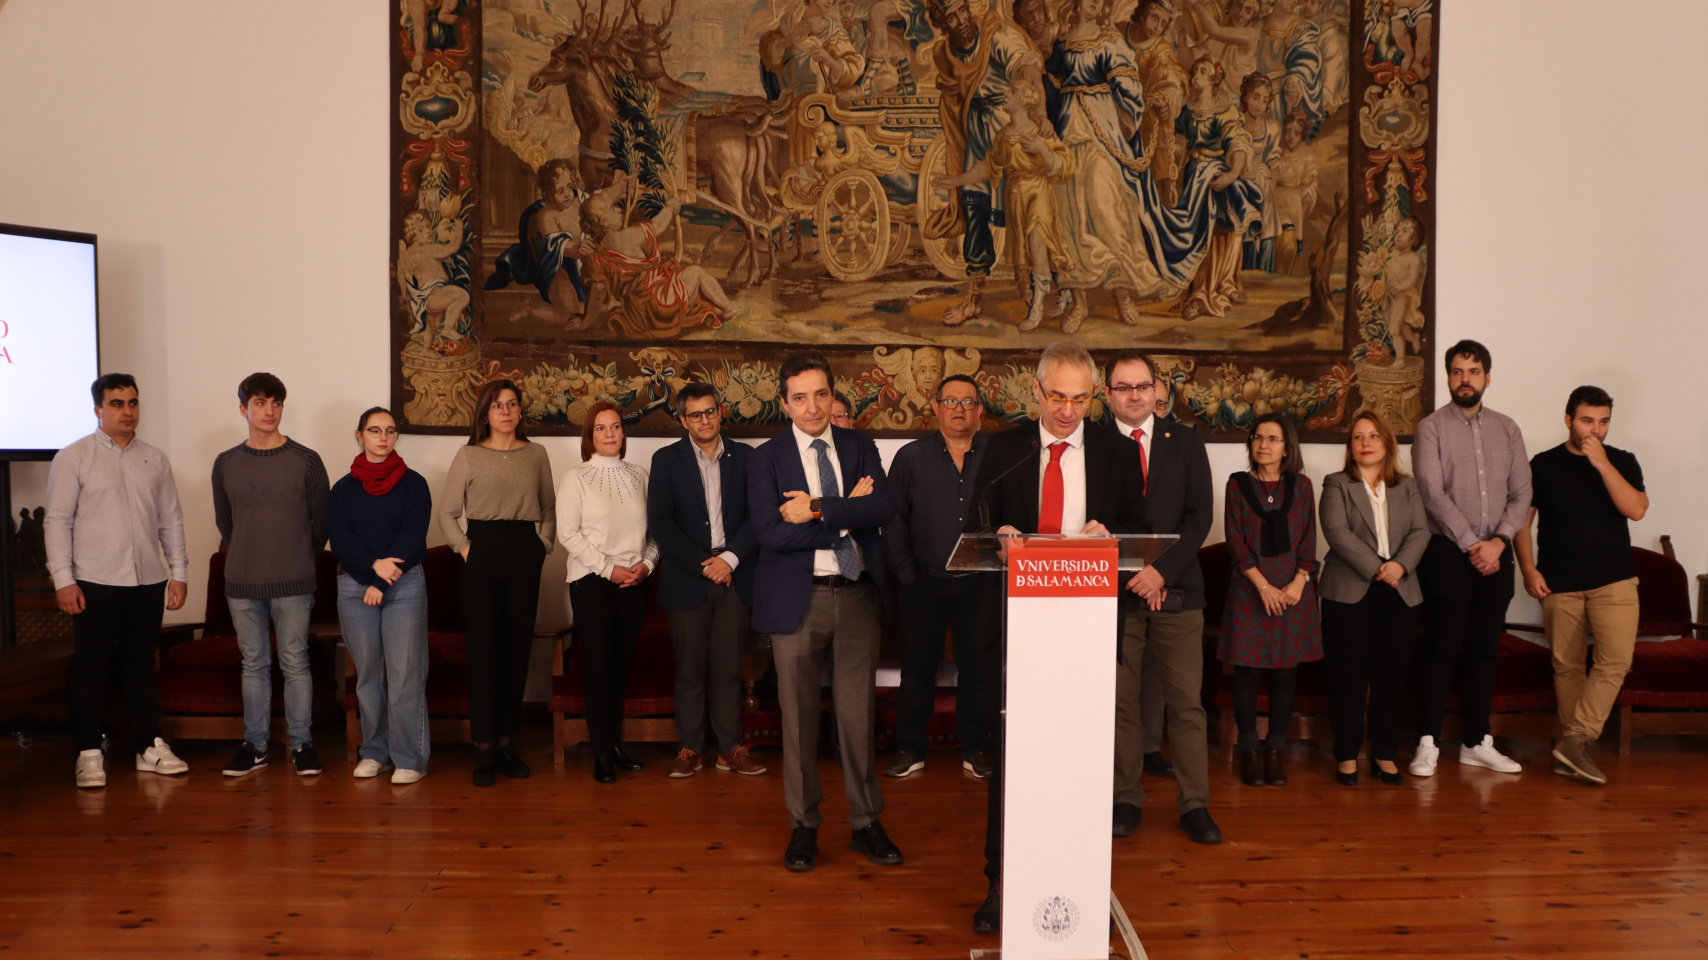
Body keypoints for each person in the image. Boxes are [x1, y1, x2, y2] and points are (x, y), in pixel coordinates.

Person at [970, 340, 1154, 936]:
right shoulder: (1004, 449)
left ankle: (1078, 878)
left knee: (1080, 760)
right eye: (1056, 397)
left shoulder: (1116, 451)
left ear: (1094, 396)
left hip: (1087, 632)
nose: (1067, 411)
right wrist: (997, 533)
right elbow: (974, 524)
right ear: (1035, 391)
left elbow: (1141, 528)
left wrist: (1111, 534)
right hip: (1019, 632)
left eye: (1079, 399)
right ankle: (1001, 882)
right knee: (1015, 762)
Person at [748, 351, 899, 873]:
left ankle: (866, 822)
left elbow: (883, 507)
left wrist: (815, 508)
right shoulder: (765, 459)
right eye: (800, 398)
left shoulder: (859, 446)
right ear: (784, 403)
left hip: (856, 594)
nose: (812, 407)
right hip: (798, 601)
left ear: (833, 395)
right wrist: (846, 516)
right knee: (798, 719)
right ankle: (803, 825)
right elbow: (771, 534)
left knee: (858, 716)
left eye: (820, 394)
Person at [45, 374, 190, 789]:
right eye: (116, 403)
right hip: (94, 579)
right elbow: (57, 521)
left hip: (147, 580)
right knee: (91, 665)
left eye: (132, 402)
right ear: (98, 410)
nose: (127, 411)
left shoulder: (155, 459)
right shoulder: (74, 457)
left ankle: (148, 746)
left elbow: (170, 519)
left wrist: (178, 573)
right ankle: (89, 752)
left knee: (141, 665)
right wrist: (63, 580)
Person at [1104, 353, 1215, 839]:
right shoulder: (1092, 443)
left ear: (1155, 390)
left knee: (1186, 705)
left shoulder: (1186, 441)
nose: (1134, 395)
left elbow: (1199, 516)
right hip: (1116, 592)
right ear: (1108, 394)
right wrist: (1134, 573)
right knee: (1120, 704)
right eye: (1123, 387)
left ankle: (1195, 805)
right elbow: (1088, 519)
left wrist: (1160, 573)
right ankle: (1125, 798)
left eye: (1142, 386)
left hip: (1178, 590)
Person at [1515, 386, 1647, 786]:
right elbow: (1521, 522)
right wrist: (1528, 569)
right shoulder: (1543, 464)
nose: (1596, 430)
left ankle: (1575, 742)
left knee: (1616, 661)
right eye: (1587, 421)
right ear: (1568, 420)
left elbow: (1636, 510)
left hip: (1615, 581)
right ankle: (1574, 752)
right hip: (1560, 583)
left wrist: (1602, 464)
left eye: (1603, 422)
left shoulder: (1621, 460)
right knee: (1567, 667)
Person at [1411, 339, 1530, 776]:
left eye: (1474, 371)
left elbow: (1522, 493)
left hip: (1497, 554)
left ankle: (1476, 741)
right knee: (1440, 647)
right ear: (1448, 377)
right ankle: (1427, 742)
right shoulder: (1430, 429)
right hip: (1447, 554)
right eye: (1458, 371)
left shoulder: (1508, 428)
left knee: (1484, 650)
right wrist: (1472, 544)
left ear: (1487, 378)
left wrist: (1498, 542)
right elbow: (1432, 492)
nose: (1466, 379)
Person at [439, 378, 557, 787]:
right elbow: (447, 513)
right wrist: (465, 549)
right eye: (497, 405)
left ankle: (507, 743)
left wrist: (542, 546)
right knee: (484, 651)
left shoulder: (536, 454)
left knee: (516, 650)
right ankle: (484, 748)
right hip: (482, 553)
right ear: (485, 413)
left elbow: (548, 507)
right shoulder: (468, 455)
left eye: (511, 404)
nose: (505, 411)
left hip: (524, 551)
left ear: (520, 411)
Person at [648, 384, 767, 779]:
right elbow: (661, 523)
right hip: (687, 578)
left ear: (721, 412)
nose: (705, 420)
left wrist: (728, 559)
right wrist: (705, 565)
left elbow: (758, 516)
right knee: (689, 670)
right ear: (683, 420)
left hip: (734, 575)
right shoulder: (666, 460)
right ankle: (689, 749)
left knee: (729, 668)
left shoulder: (746, 457)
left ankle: (730, 749)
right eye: (695, 414)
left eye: (710, 411)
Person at [214, 372, 330, 778]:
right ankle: (256, 746)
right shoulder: (226, 463)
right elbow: (226, 524)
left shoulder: (306, 461)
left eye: (276, 403)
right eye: (260, 403)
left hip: (293, 580)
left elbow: (321, 523)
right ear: (243, 409)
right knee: (254, 664)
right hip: (242, 582)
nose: (269, 411)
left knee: (295, 662)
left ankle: (302, 745)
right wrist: (251, 553)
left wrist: (296, 558)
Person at [883, 374, 991, 780]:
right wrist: (907, 575)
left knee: (978, 672)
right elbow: (893, 520)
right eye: (950, 401)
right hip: (923, 583)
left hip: (980, 583)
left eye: (967, 402)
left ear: (980, 411)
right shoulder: (910, 457)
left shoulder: (996, 455)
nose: (959, 409)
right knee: (916, 672)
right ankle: (910, 749)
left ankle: (976, 749)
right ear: (936, 408)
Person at [1318, 410, 1429, 786]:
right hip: (1349, 591)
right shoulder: (1336, 483)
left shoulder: (1408, 487)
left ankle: (1384, 754)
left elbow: (1420, 532)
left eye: (1373, 436)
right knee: (1346, 677)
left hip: (1400, 591)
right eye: (1358, 437)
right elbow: (1336, 531)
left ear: (1387, 443)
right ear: (1350, 447)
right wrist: (1380, 568)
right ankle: (1347, 755)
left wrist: (1399, 566)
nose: (1366, 443)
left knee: (1391, 678)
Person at [327, 407, 433, 785]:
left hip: (403, 585)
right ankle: (375, 753)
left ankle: (410, 759)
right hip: (355, 585)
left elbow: (413, 538)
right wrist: (374, 569)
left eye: (390, 431)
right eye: (374, 430)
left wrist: (383, 581)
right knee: (369, 675)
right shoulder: (342, 489)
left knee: (405, 673)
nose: (383, 437)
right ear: (360, 436)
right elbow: (340, 541)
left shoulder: (414, 484)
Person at [557, 401, 660, 783]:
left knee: (620, 666)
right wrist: (608, 569)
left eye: (615, 426)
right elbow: (568, 534)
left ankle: (615, 745)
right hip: (592, 582)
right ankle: (600, 751)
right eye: (601, 428)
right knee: (599, 665)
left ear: (623, 432)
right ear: (590, 435)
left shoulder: (639, 475)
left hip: (633, 581)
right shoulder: (576, 477)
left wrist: (646, 565)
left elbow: (655, 534)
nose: (610, 434)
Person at [925, 0, 1043, 327]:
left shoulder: (996, 35)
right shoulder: (946, 54)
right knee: (975, 211)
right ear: (943, 24)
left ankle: (1026, 284)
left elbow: (1027, 69)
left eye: (963, 10)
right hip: (975, 136)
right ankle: (974, 297)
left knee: (1020, 210)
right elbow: (952, 98)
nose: (962, 19)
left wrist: (1039, 115)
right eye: (952, 17)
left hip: (1007, 129)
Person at [1220, 412, 1320, 788]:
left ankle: (1275, 753)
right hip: (1251, 590)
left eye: (1273, 439)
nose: (1264, 445)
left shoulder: (1303, 486)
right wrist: (1263, 587)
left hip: (1294, 593)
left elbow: (1308, 541)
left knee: (1285, 673)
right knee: (1247, 672)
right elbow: (1236, 542)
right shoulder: (1237, 485)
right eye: (1258, 437)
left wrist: (1298, 583)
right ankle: (1249, 752)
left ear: (1287, 447)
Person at [929, 78, 1074, 332]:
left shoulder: (1039, 132)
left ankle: (1036, 308)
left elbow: (1066, 163)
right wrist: (956, 180)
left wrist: (1041, 149)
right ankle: (1064, 293)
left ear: (1024, 100)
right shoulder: (1004, 135)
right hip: (1015, 199)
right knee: (1027, 252)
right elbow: (989, 166)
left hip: (1037, 195)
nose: (1006, 93)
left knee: (1038, 247)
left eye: (1013, 91)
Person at [1173, 56, 1264, 320]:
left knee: (1228, 229)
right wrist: (1174, 150)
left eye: (1202, 71)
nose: (1195, 75)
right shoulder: (1187, 110)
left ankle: (1226, 283)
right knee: (1200, 233)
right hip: (1195, 178)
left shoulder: (1224, 111)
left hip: (1220, 176)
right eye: (1195, 70)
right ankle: (1198, 294)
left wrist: (1232, 174)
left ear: (1214, 79)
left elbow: (1238, 143)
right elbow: (1179, 141)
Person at [1126, 0, 1189, 208]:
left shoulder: (1161, 50)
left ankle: (1157, 208)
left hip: (1146, 115)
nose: (1157, 27)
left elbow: (1173, 85)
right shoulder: (1118, 32)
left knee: (1157, 134)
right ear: (1143, 12)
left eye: (1163, 23)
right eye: (1154, 18)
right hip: (1116, 108)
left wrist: (1165, 101)